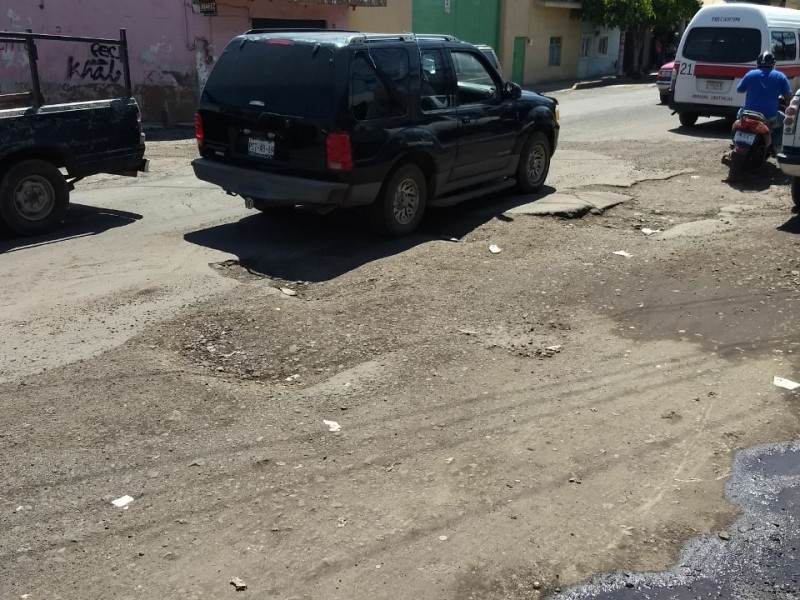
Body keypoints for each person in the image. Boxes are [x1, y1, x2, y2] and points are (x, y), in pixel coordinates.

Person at [736, 51, 792, 150]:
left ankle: (735, 143)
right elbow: (788, 97)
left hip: (747, 114)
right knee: (785, 122)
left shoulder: (750, 74)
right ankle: (775, 146)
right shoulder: (780, 76)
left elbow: (739, 89)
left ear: (758, 63)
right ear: (773, 64)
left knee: (738, 118)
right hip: (769, 117)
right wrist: (789, 105)